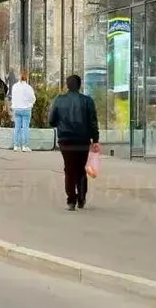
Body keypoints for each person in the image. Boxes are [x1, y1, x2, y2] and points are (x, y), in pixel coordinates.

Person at [48, 74, 100, 211]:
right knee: (81, 169)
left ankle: (71, 201)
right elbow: (93, 122)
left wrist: (60, 123)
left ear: (67, 85)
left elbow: (51, 120)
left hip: (65, 140)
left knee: (69, 169)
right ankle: (82, 198)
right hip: (83, 140)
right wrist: (95, 140)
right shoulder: (87, 101)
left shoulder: (59, 100)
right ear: (79, 85)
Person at [10, 70, 36, 153]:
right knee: (25, 128)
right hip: (26, 109)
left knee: (17, 128)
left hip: (17, 109)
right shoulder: (28, 87)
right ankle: (25, 146)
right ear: (26, 77)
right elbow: (33, 98)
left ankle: (16, 146)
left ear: (19, 76)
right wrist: (30, 104)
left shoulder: (14, 86)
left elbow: (13, 97)